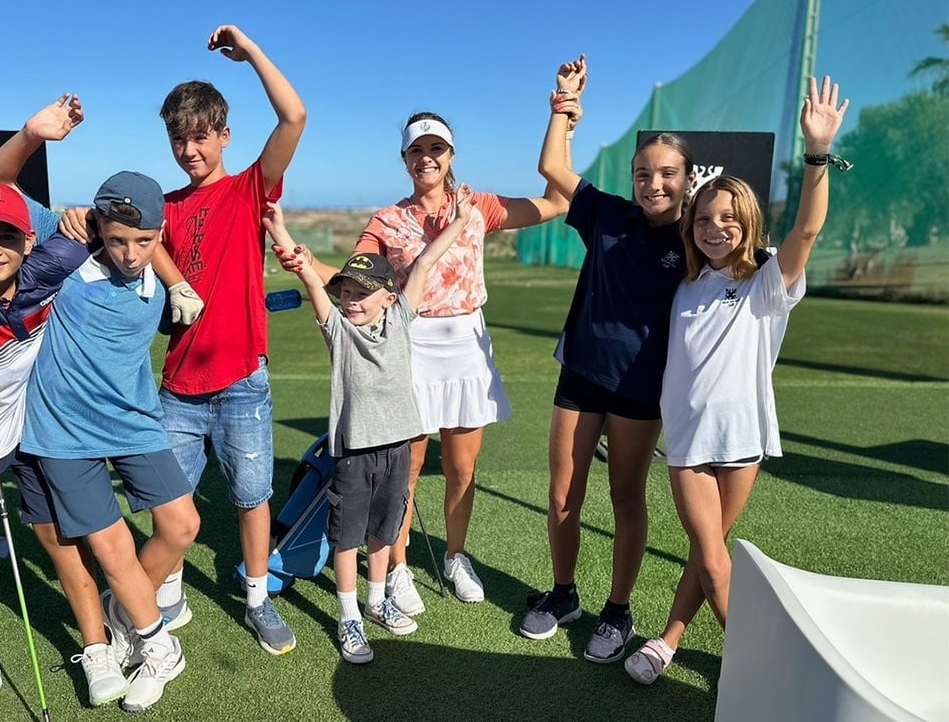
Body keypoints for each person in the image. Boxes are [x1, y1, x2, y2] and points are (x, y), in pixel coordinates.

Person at [278, 104, 574, 614]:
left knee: (462, 468)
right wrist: (304, 262)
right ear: (405, 159)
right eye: (417, 150)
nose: (426, 158)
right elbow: (352, 276)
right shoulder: (387, 221)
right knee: (406, 470)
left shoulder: (477, 205)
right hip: (408, 347)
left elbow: (557, 201)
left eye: (435, 148)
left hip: (466, 348)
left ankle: (456, 557)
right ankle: (397, 568)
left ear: (450, 154)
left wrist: (563, 117)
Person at [625, 77, 849, 685]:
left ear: (748, 224)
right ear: (689, 224)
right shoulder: (685, 283)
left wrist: (817, 155)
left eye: (728, 218)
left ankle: (682, 644)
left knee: (710, 555)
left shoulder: (768, 283)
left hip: (743, 441)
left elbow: (805, 231)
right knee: (716, 563)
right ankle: (768, 672)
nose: (714, 227)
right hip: (690, 446)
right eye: (703, 217)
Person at [0, 95, 133, 720]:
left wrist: (82, 220)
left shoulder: (49, 263)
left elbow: (120, 222)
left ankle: (96, 646)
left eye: (6, 235)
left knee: (60, 537)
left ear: (27, 238)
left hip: (36, 425)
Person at [0, 111, 204, 712]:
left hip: (134, 420)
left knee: (183, 526)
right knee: (111, 548)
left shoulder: (159, 270)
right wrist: (32, 136)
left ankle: (125, 612)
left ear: (160, 233)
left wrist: (177, 282)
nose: (130, 254)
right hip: (61, 430)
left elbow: (149, 252)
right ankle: (157, 643)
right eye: (117, 240)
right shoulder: (68, 239)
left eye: (144, 241)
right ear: (98, 226)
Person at [526, 55, 695, 664]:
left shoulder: (696, 237)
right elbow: (551, 166)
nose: (654, 184)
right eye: (643, 173)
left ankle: (618, 613)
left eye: (667, 174)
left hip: (640, 388)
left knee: (626, 497)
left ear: (687, 178)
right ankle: (564, 594)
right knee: (563, 495)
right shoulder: (608, 214)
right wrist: (563, 106)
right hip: (580, 375)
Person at [262, 184, 474, 662]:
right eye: (347, 293)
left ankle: (377, 601)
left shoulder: (401, 320)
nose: (352, 300)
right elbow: (314, 283)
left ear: (388, 296)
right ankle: (349, 618)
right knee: (346, 537)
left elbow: (421, 266)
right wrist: (278, 228)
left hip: (398, 448)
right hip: (353, 454)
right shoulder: (338, 331)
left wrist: (458, 224)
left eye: (362, 293)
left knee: (383, 530)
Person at [155, 24, 306, 655]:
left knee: (252, 500)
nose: (190, 149)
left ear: (223, 135)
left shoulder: (248, 190)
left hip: (243, 380)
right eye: (178, 138)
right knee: (170, 506)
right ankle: (165, 597)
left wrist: (250, 54)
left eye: (200, 136)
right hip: (178, 387)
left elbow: (294, 114)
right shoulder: (161, 206)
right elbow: (136, 240)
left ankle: (257, 599)